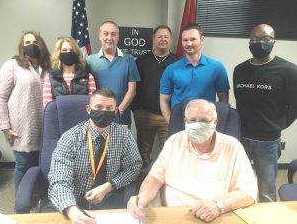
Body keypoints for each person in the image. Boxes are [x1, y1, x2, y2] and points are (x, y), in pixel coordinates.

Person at [127, 99, 257, 223]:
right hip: (173, 216)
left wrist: (219, 205)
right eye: (193, 120)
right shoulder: (174, 141)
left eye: (204, 121)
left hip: (216, 217)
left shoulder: (232, 146)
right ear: (185, 122)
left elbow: (249, 192)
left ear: (215, 122)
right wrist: (140, 200)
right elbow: (155, 178)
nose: (198, 125)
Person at [48, 88, 142, 224]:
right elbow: (59, 179)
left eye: (109, 108)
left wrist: (109, 186)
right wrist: (70, 209)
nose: (104, 111)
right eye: (98, 107)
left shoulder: (124, 135)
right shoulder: (70, 137)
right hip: (73, 201)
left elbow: (134, 168)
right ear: (88, 109)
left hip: (109, 200)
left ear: (115, 111)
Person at [233, 24, 297, 202]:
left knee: (267, 190)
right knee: (237, 185)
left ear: (274, 41)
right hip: (241, 138)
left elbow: (294, 106)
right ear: (249, 41)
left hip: (268, 142)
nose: (259, 42)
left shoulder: (289, 71)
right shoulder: (240, 70)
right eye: (255, 38)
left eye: (265, 38)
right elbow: (240, 101)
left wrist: (276, 125)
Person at [0, 31, 51, 194]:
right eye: (27, 42)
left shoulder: (48, 67)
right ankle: (22, 205)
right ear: (22, 46)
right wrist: (5, 127)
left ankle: (38, 200)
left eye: (35, 41)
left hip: (45, 129)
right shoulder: (12, 65)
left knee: (42, 166)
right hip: (21, 129)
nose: (31, 45)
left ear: (41, 44)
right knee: (23, 166)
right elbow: (0, 96)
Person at [160, 23, 229, 123]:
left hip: (207, 124)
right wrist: (171, 123)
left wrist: (216, 123)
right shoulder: (171, 69)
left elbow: (224, 98)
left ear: (202, 39)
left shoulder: (217, 68)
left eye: (193, 39)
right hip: (180, 124)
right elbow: (163, 100)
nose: (189, 43)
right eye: (185, 40)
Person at [132, 25, 178, 169]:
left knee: (169, 152)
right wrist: (137, 111)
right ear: (153, 39)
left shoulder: (178, 62)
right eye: (160, 36)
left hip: (168, 116)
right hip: (145, 115)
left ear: (170, 39)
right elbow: (134, 87)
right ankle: (142, 180)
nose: (163, 39)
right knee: (143, 152)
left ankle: (164, 182)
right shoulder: (141, 61)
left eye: (166, 36)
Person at [86, 20, 140, 127]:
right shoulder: (90, 61)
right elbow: (86, 90)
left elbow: (132, 90)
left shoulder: (129, 60)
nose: (109, 37)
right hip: (97, 117)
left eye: (113, 34)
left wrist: (119, 110)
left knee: (120, 144)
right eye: (106, 33)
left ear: (118, 37)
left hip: (121, 117)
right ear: (100, 36)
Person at [43, 37, 96, 108]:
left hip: (82, 117)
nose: (68, 52)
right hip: (58, 117)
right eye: (64, 50)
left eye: (71, 50)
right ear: (58, 53)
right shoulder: (50, 77)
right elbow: (47, 106)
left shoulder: (88, 76)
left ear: (76, 53)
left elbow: (93, 103)